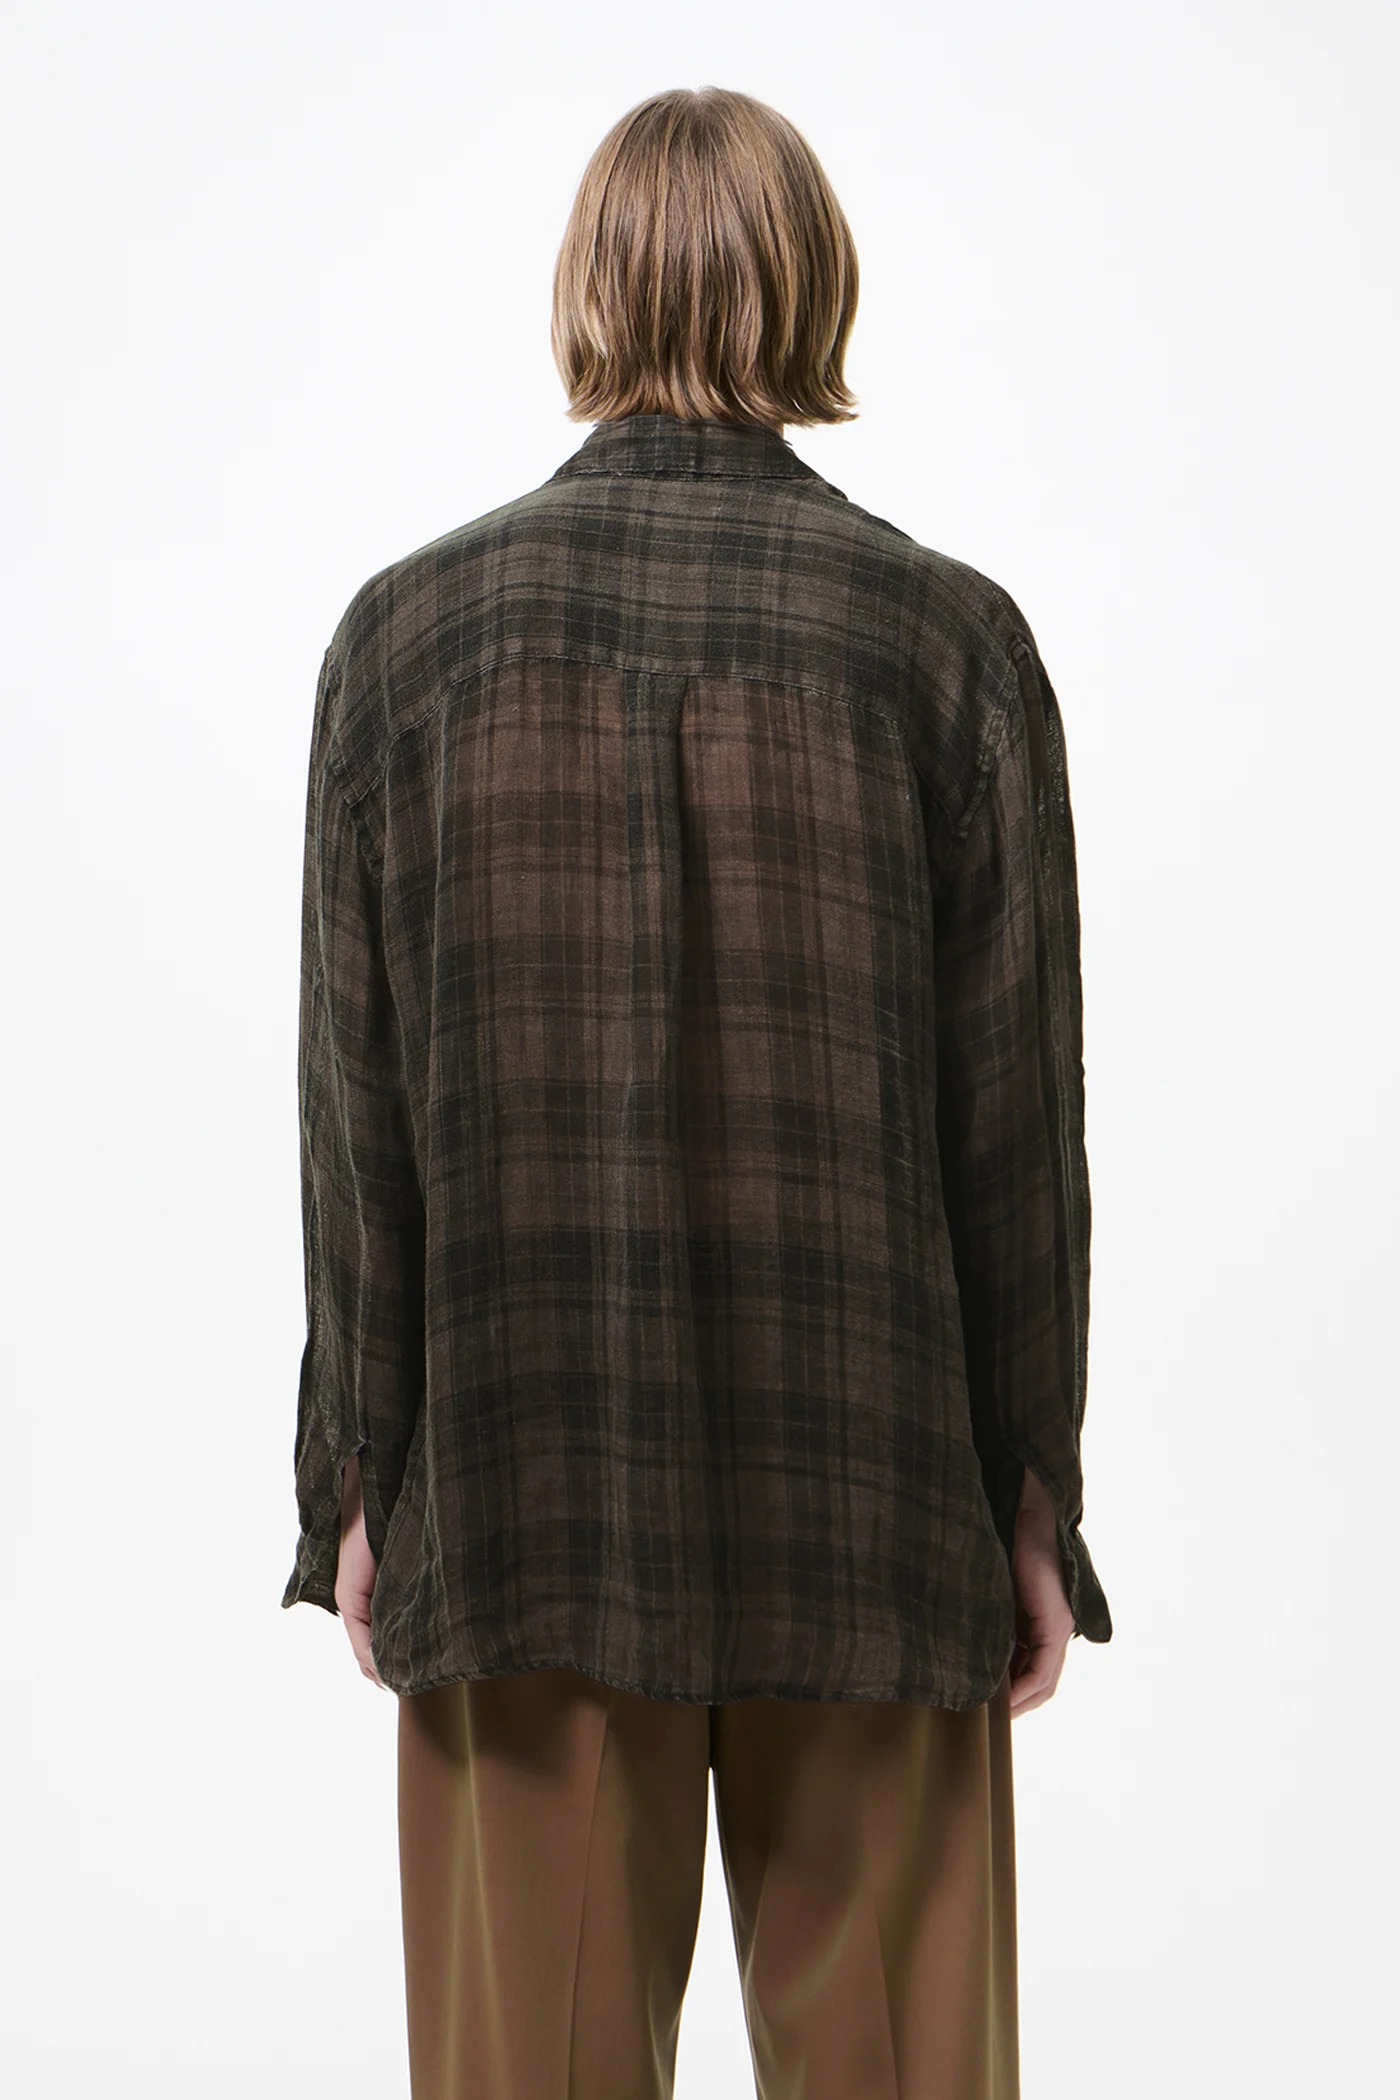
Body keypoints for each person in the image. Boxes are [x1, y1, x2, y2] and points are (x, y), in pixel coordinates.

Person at [281, 83, 1113, 2100]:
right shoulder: (946, 647)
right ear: (815, 285)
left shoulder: (404, 646)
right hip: (874, 1500)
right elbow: (1015, 1134)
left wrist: (357, 1475)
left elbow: (357, 1126)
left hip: (523, 1496)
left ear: (585, 289)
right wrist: (1033, 1495)